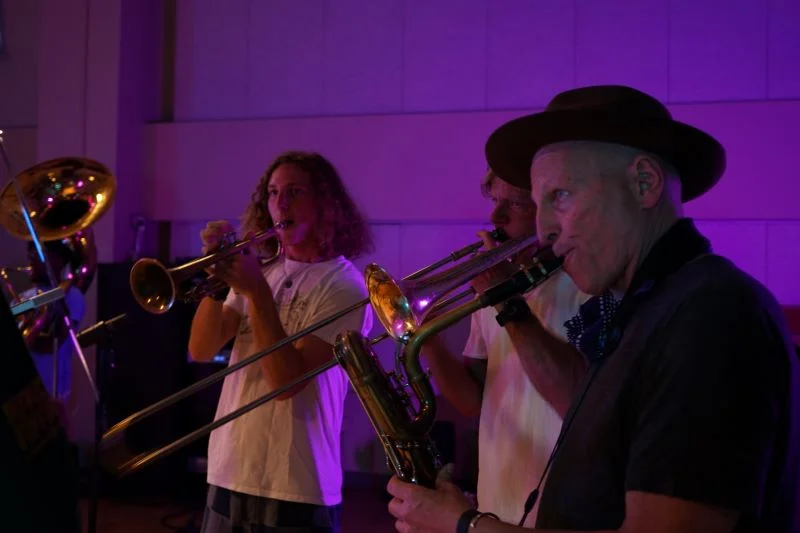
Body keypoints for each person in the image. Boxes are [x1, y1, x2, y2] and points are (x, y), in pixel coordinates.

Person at [385, 85, 800, 533]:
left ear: (644, 183)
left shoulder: (710, 311)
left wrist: (464, 525)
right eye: (538, 204)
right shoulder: (646, 308)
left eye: (560, 196)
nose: (543, 230)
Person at [188, 150, 374, 533]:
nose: (280, 204)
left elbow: (286, 383)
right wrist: (216, 278)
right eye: (273, 193)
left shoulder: (346, 287)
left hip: (297, 484)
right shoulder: (262, 272)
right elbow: (201, 350)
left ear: (325, 204)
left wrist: (257, 292)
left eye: (294, 192)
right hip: (230, 469)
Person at [420, 168, 588, 525]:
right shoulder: (492, 289)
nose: (496, 217)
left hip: (564, 510)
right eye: (496, 201)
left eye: (517, 204)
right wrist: (430, 342)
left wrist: (503, 297)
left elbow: (583, 402)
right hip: (496, 501)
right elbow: (472, 402)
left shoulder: (588, 287)